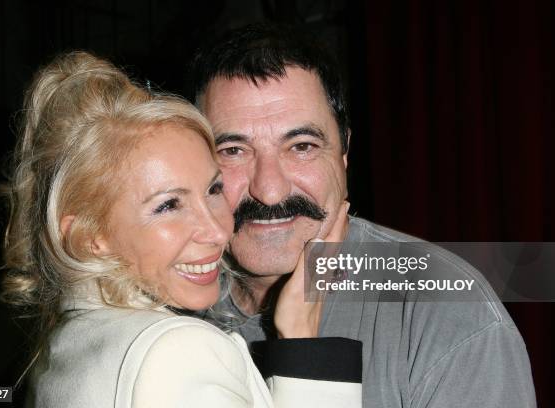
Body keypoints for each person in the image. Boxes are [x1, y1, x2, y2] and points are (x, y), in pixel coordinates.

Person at [189, 23, 537, 407]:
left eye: (301, 146)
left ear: (344, 154)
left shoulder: (443, 313)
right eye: (234, 150)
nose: (269, 190)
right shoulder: (162, 298)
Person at [0, 51, 362, 407]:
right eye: (169, 205)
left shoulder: (64, 343)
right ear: (89, 236)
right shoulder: (180, 351)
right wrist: (303, 345)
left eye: (214, 189)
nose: (219, 233)